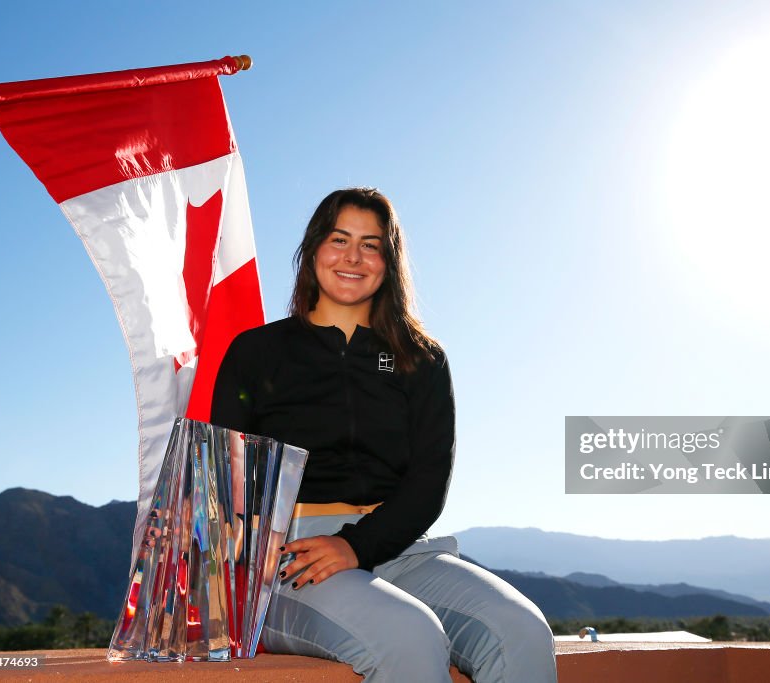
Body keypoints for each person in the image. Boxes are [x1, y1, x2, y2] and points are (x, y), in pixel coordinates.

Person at [211, 188, 557, 682]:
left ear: (388, 261)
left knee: (521, 629)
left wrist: (357, 546)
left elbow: (428, 481)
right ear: (313, 250)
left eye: (371, 245)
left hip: (401, 549)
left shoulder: (421, 358)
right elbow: (226, 477)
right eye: (339, 239)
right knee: (409, 638)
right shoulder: (256, 352)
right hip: (292, 562)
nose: (353, 257)